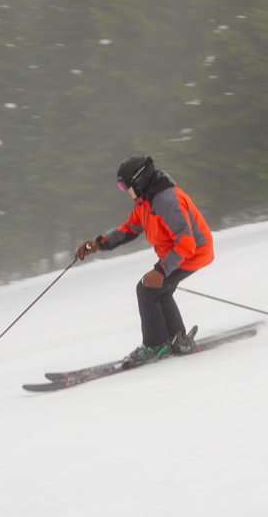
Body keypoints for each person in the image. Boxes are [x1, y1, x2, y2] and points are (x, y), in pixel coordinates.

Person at [75, 155, 214, 366]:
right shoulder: (145, 201)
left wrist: (160, 271)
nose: (125, 191)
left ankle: (155, 345)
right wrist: (99, 243)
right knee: (160, 291)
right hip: (179, 253)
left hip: (192, 253)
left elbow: (187, 244)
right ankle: (177, 338)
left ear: (139, 180)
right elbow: (129, 229)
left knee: (146, 289)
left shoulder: (166, 201)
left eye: (125, 186)